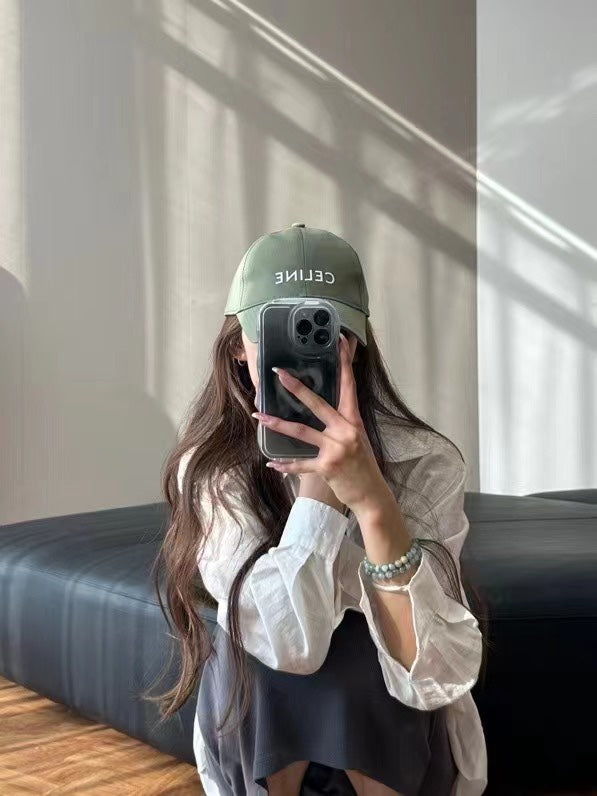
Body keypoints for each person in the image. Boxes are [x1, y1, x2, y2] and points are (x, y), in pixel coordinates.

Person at [154, 223, 489, 795]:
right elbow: (289, 646)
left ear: (355, 345)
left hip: (401, 749)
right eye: (278, 336)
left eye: (324, 333)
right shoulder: (212, 471)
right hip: (264, 740)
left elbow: (436, 674)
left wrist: (373, 503)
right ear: (238, 347)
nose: (300, 360)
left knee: (361, 644)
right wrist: (321, 493)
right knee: (255, 638)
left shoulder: (424, 461)